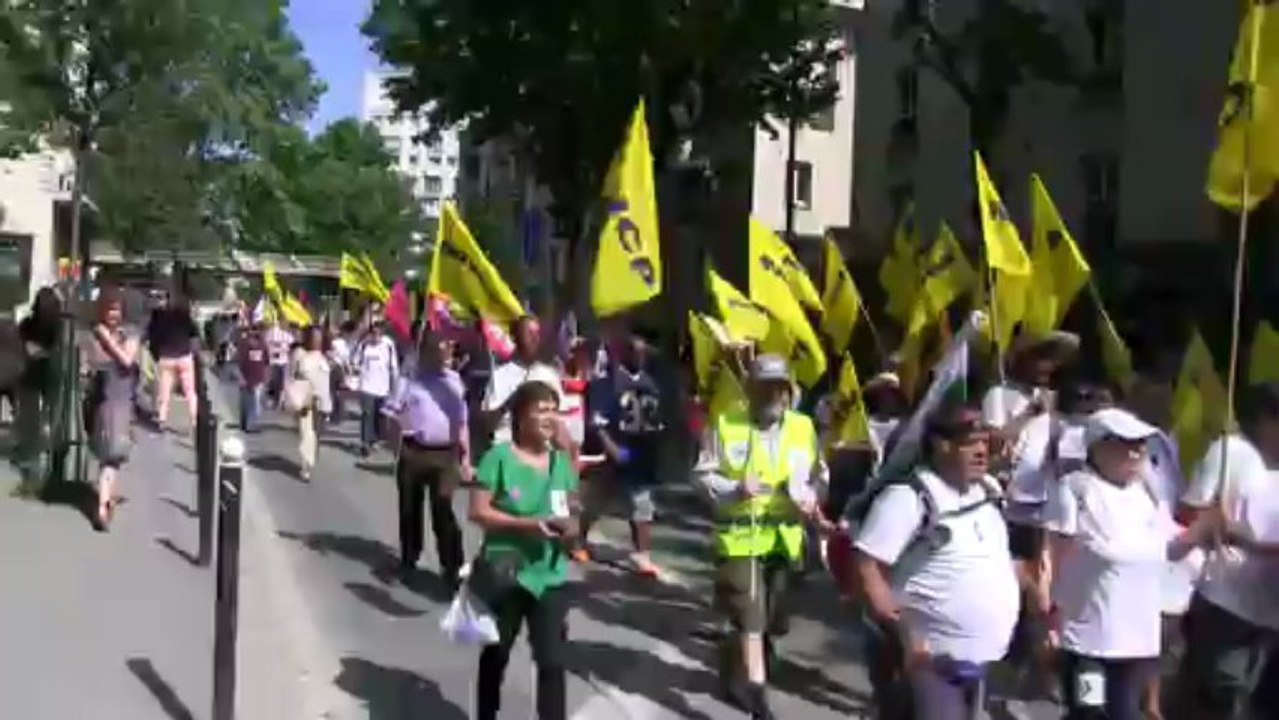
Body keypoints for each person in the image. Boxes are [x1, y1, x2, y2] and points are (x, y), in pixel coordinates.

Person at [1044, 408, 1219, 720]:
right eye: (1127, 443)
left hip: (1135, 642)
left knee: (1123, 714)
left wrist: (1204, 528)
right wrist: (1050, 615)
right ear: (1098, 445)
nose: (1138, 450)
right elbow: (1054, 551)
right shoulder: (1075, 488)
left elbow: (1171, 550)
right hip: (1088, 643)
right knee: (1089, 714)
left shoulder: (1144, 494)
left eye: (1141, 442)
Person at [853, 401, 1021, 720]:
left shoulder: (987, 490)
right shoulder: (908, 498)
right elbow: (867, 565)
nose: (982, 452)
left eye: (985, 442)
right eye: (971, 444)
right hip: (930, 660)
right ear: (941, 445)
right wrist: (902, 633)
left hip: (986, 658)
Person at [694, 353, 827, 719]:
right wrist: (734, 488)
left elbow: (819, 477)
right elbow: (702, 476)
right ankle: (759, 701)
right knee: (751, 618)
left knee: (770, 622)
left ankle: (734, 665)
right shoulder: (725, 425)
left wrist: (812, 497)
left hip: (785, 539)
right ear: (750, 389)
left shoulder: (803, 428)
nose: (773, 395)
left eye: (779, 388)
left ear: (789, 391)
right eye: (765, 387)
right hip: (741, 539)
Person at [469, 380, 580, 720]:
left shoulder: (560, 462)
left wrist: (573, 529)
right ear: (520, 417)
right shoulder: (498, 457)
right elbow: (477, 512)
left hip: (549, 576)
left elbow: (571, 507)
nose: (550, 418)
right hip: (505, 572)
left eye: (554, 411)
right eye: (541, 410)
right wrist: (528, 525)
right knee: (496, 654)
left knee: (552, 662)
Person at [1176, 382, 1279, 719]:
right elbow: (1188, 513)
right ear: (1266, 420)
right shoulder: (1231, 451)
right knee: (1221, 700)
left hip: (1269, 615)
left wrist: (1245, 538)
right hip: (1224, 603)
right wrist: (1209, 520)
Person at [382, 328, 469, 590]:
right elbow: (390, 412)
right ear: (425, 348)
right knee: (410, 509)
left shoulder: (454, 381)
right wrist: (397, 428)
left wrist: (466, 458)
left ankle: (452, 566)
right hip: (414, 451)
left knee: (443, 509)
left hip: (446, 454)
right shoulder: (409, 380)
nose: (445, 350)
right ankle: (409, 560)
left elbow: (462, 421)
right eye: (439, 345)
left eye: (448, 346)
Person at [579, 335, 665, 576]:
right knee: (596, 503)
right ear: (623, 353)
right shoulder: (607, 383)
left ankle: (642, 556)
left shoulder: (651, 385)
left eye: (643, 352)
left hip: (641, 456)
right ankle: (577, 539)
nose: (640, 356)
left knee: (642, 505)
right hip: (613, 455)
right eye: (634, 351)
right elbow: (596, 421)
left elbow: (655, 420)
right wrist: (611, 448)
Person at [83, 287, 140, 532]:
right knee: (111, 455)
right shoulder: (94, 336)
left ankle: (105, 501)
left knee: (111, 456)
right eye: (108, 310)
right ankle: (103, 506)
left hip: (122, 401)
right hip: (104, 402)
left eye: (116, 310)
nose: (112, 315)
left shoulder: (131, 334)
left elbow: (127, 360)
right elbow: (88, 365)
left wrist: (106, 339)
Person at [482, 316, 562, 446]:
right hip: (508, 448)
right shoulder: (500, 376)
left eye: (537, 334)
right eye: (529, 333)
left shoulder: (549, 375)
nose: (534, 339)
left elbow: (559, 421)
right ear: (515, 338)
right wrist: (514, 399)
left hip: (542, 453)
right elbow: (488, 424)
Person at [146, 292, 199, 432]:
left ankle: (162, 419)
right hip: (184, 356)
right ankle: (194, 419)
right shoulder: (183, 315)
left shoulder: (157, 316)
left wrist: (156, 355)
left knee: (164, 391)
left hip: (166, 357)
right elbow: (194, 335)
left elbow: (152, 338)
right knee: (190, 391)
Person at [290, 326, 332, 480]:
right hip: (307, 402)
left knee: (316, 436)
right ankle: (305, 467)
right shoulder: (301, 355)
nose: (317, 340)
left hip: (322, 404)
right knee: (307, 434)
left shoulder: (323, 357)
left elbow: (326, 382)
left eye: (319, 337)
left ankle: (310, 461)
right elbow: (296, 377)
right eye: (314, 337)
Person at [353, 321, 399, 456]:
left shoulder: (388, 345)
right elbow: (355, 362)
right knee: (367, 414)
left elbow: (393, 367)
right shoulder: (364, 345)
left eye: (378, 334)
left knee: (379, 416)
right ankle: (365, 443)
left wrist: (394, 387)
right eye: (373, 333)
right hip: (366, 386)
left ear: (382, 334)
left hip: (383, 388)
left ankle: (374, 439)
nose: (375, 336)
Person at [236, 321, 269, 433]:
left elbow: (266, 362)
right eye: (254, 330)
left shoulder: (263, 345)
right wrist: (240, 377)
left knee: (255, 403)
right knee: (246, 402)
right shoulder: (244, 344)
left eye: (258, 330)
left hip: (258, 378)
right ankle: (245, 424)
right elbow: (239, 361)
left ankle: (251, 425)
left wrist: (265, 377)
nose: (256, 332)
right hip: (246, 377)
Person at [264, 318, 294, 408]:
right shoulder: (283, 334)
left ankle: (276, 400)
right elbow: (291, 342)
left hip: (277, 361)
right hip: (279, 361)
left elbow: (266, 344)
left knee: (276, 382)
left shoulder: (270, 333)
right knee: (278, 382)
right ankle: (277, 400)